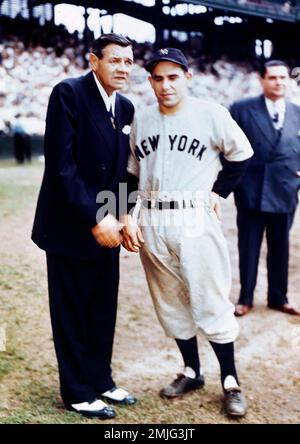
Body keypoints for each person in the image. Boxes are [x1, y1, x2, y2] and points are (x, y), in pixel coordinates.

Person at [122, 48, 253, 417]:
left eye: (173, 77)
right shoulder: (143, 119)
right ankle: (192, 371)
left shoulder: (210, 113)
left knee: (210, 298)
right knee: (170, 301)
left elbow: (241, 154)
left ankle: (230, 380)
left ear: (187, 78)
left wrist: (218, 192)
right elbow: (131, 174)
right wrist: (124, 214)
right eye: (158, 78)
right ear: (150, 81)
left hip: (194, 215)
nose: (165, 85)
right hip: (151, 218)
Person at [32, 34, 137, 419]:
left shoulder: (126, 106)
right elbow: (62, 166)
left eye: (128, 61)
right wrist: (98, 217)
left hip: (109, 228)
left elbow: (128, 171)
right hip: (70, 228)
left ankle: (101, 379)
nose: (123, 68)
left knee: (102, 308)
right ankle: (77, 391)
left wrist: (123, 216)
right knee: (72, 311)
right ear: (94, 61)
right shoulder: (68, 94)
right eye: (115, 61)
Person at [230, 60, 300, 317]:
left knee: (280, 247)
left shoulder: (297, 111)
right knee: (248, 246)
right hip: (251, 190)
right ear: (262, 80)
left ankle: (278, 297)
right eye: (273, 77)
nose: (279, 82)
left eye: (283, 78)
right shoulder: (242, 109)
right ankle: (245, 297)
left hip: (285, 190)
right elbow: (226, 143)